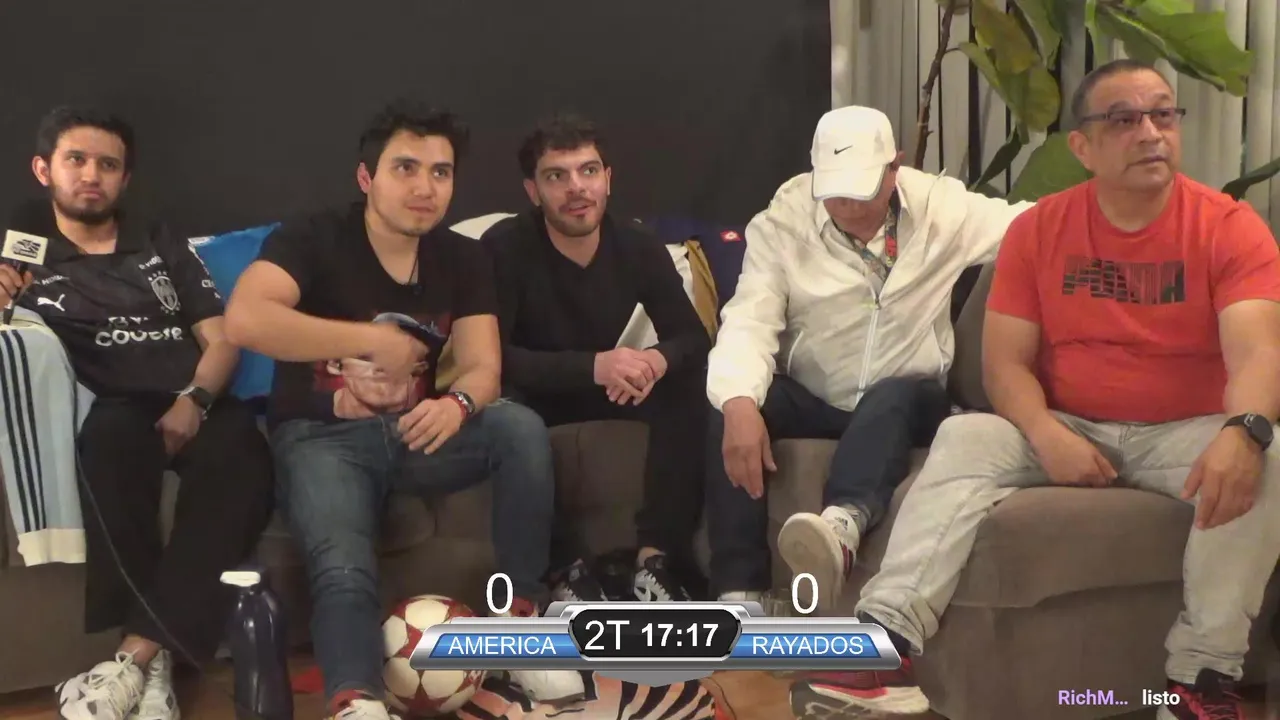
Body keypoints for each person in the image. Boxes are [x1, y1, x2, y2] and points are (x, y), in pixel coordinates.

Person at [794, 59, 1280, 720]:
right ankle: (884, 645)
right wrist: (1047, 433)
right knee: (966, 435)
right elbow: (1004, 366)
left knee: (1267, 457)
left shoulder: (1227, 227)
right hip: (1065, 420)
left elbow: (1258, 350)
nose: (1150, 133)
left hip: (1183, 432)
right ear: (1082, 146)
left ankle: (1201, 678)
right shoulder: (1039, 230)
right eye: (1124, 119)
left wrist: (1243, 430)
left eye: (1163, 114)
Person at [224, 101, 574, 720]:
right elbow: (246, 319)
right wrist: (367, 340)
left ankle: (521, 633)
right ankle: (356, 699)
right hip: (321, 435)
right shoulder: (312, 237)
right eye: (405, 168)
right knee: (343, 563)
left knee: (518, 427)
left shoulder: (463, 257)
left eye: (441, 172)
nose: (424, 187)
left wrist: (457, 405)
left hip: (416, 433)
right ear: (367, 178)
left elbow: (484, 367)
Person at [0, 107, 274, 720]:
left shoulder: (156, 237)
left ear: (124, 179)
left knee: (247, 467)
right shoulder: (24, 245)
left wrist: (194, 401)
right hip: (114, 405)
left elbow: (222, 338)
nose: (90, 175)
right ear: (44, 169)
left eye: (107, 164)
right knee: (105, 451)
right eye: (76, 160)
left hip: (196, 395)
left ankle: (134, 659)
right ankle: (155, 671)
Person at [705, 105, 1032, 609]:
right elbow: (750, 317)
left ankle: (841, 526)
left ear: (894, 167)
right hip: (817, 393)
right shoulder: (782, 224)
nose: (847, 205)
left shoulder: (942, 210)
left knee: (895, 394)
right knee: (733, 403)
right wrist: (738, 402)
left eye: (860, 190)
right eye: (834, 191)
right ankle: (740, 592)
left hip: (909, 396)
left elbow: (1034, 224)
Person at [481, 114, 711, 603]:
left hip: (609, 390)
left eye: (588, 171)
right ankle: (566, 572)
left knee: (693, 387)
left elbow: (691, 337)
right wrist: (594, 366)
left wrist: (653, 362)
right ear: (532, 191)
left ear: (608, 178)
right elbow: (491, 359)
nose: (576, 188)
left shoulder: (637, 244)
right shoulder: (504, 247)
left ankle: (655, 561)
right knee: (505, 411)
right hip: (533, 393)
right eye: (556, 176)